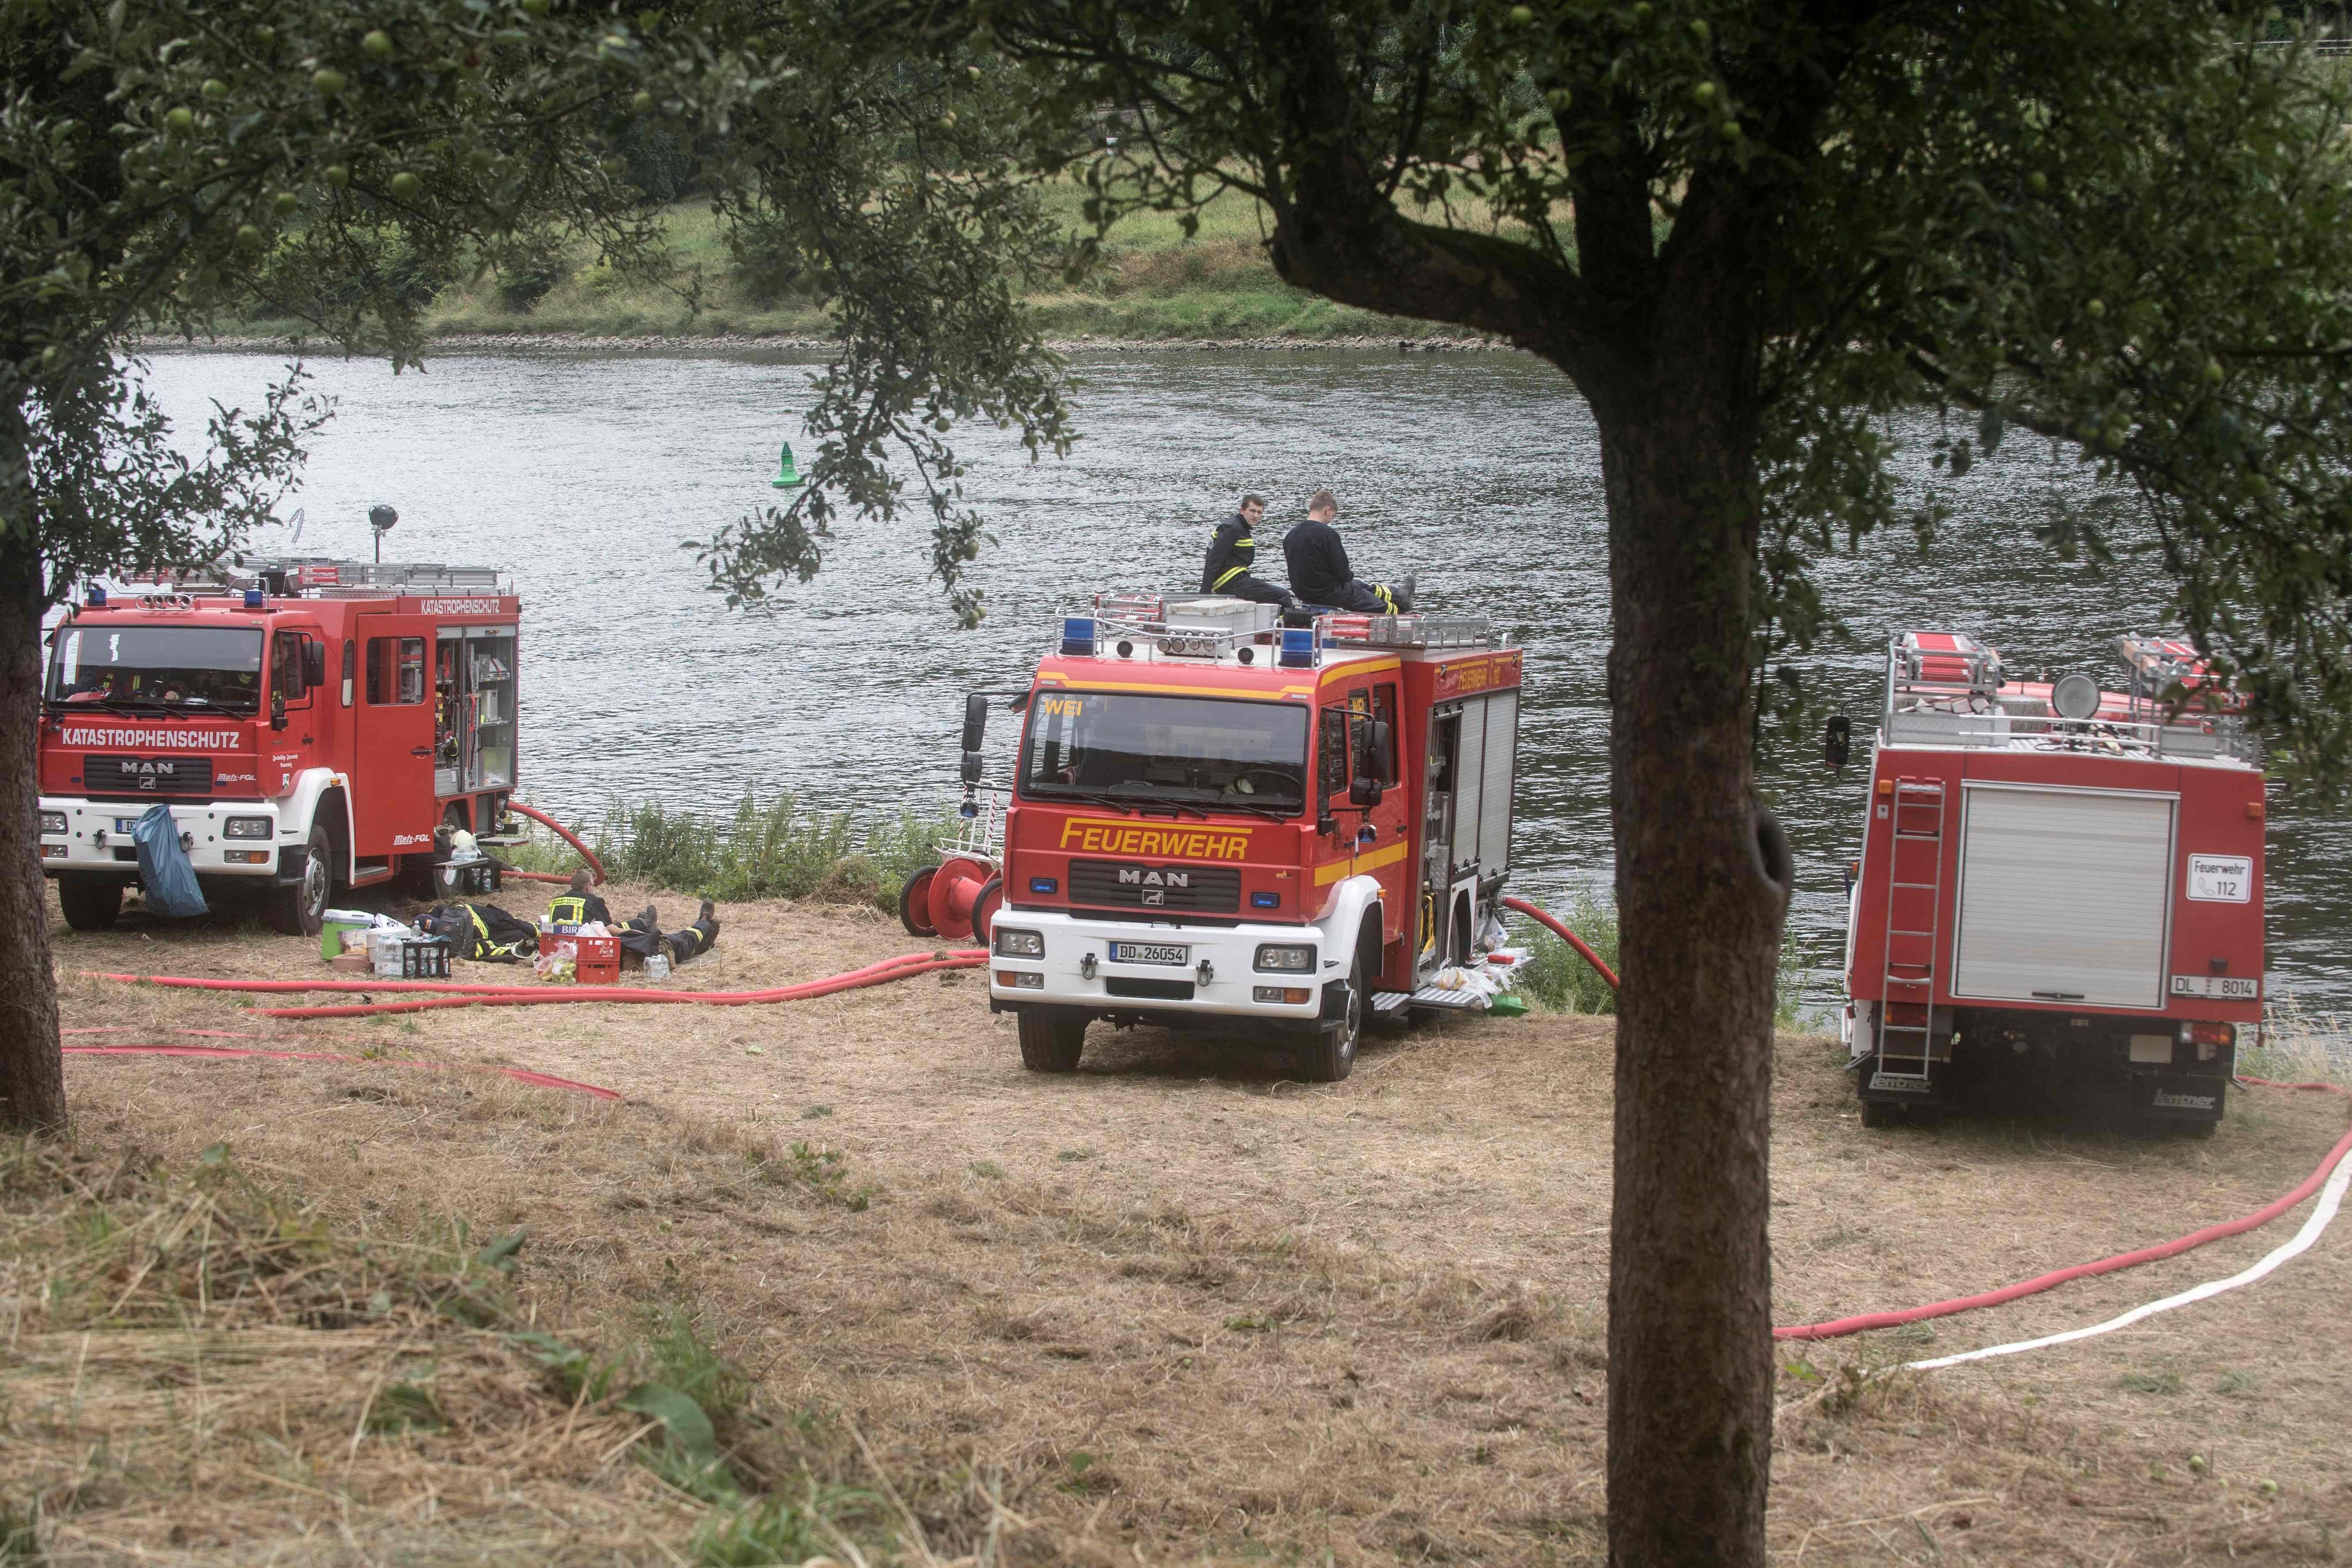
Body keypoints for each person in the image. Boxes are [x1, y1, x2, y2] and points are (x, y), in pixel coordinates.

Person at [1282, 490, 1415, 613]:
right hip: (1328, 593)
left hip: (1304, 593)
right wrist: (1347, 578)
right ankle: (1400, 611)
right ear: (1328, 510)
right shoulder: (1327, 534)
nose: (1331, 519)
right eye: (1333, 516)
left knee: (1359, 585)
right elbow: (1344, 574)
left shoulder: (1291, 535)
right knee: (1369, 600)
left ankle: (1400, 596)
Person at [1199, 494, 1303, 612]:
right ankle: (1286, 623)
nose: (1256, 516)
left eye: (1259, 513)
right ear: (1242, 510)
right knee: (1283, 596)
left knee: (1276, 592)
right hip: (1230, 583)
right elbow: (1213, 562)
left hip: (1237, 580)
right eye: (1252, 511)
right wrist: (1205, 596)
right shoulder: (1232, 529)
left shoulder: (1240, 527)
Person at [547, 869, 613, 929]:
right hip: (580, 937)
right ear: (588, 886)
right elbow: (609, 927)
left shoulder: (555, 901)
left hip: (552, 938)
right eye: (593, 885)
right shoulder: (594, 901)